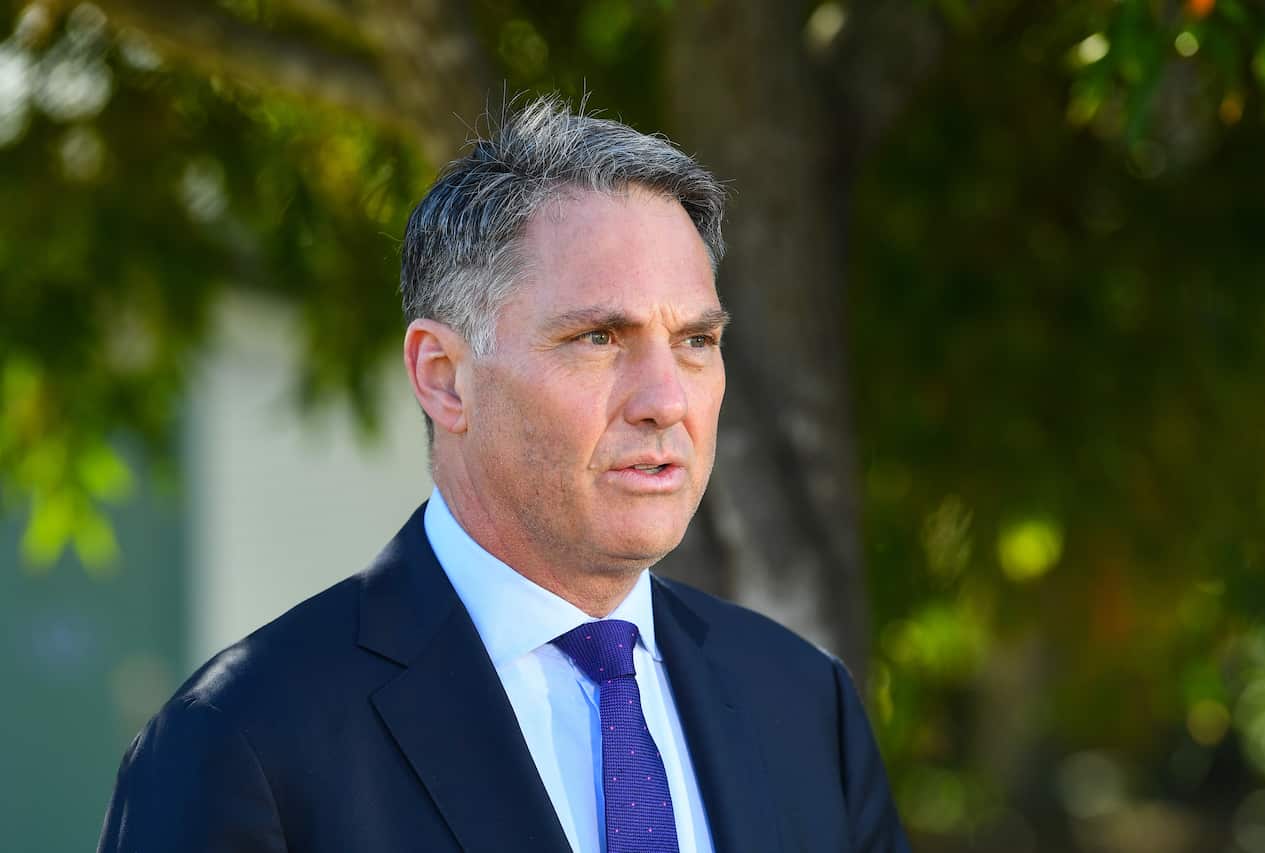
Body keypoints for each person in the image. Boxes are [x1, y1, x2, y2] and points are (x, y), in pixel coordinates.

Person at [98, 96, 910, 853]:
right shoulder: (241, 740)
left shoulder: (805, 705)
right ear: (445, 375)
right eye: (599, 337)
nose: (666, 399)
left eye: (695, 341)